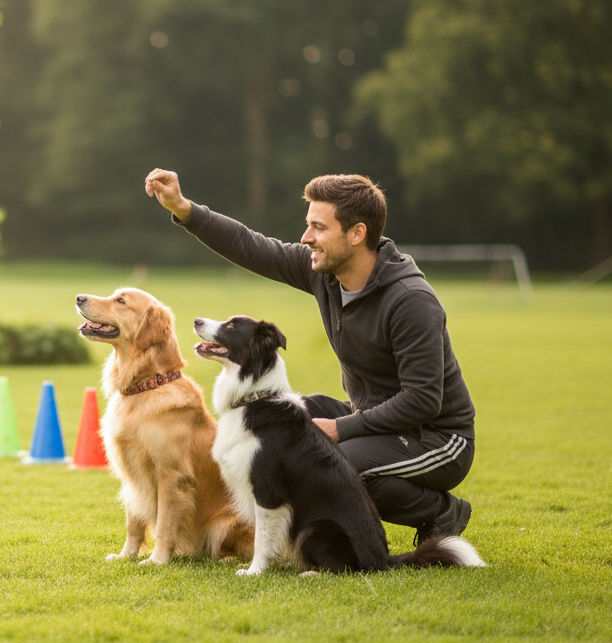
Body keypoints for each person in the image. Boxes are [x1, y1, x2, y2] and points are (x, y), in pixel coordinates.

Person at [145, 168, 475, 543]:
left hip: (437, 438)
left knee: (339, 466)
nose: (306, 238)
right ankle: (288, 538)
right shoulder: (325, 273)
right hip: (373, 418)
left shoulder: (411, 302)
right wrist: (184, 208)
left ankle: (442, 513)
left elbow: (422, 401)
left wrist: (340, 428)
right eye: (308, 226)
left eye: (318, 227)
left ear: (356, 233)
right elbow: (252, 246)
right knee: (287, 417)